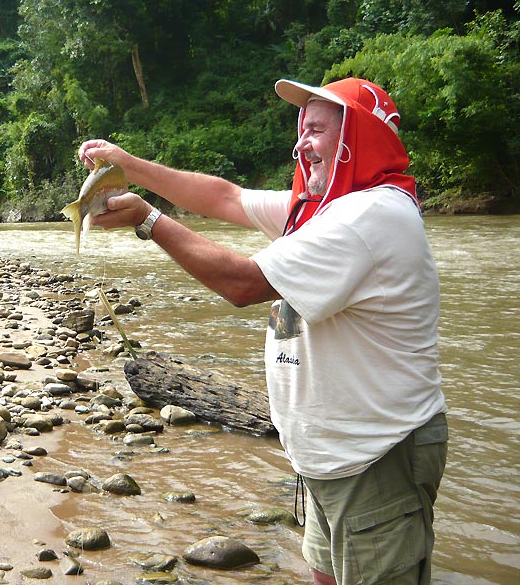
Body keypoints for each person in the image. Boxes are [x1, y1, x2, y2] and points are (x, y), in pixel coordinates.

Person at [78, 77, 447, 585]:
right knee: (325, 574)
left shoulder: (371, 214)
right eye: (300, 130)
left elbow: (243, 282)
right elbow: (225, 197)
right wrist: (130, 166)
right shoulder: (320, 207)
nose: (301, 143)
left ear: (361, 136)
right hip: (330, 455)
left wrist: (148, 219)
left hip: (376, 454)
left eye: (316, 129)